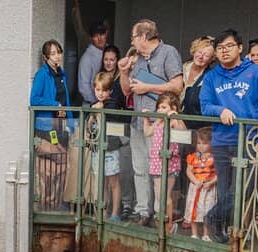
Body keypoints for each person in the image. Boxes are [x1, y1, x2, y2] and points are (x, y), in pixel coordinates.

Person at [200, 29, 258, 242]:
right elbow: (205, 106)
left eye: (229, 46)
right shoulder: (212, 76)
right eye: (220, 48)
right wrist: (220, 111)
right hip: (221, 139)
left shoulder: (257, 73)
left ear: (240, 48)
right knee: (224, 188)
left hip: (250, 141)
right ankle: (224, 230)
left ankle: (212, 217)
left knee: (244, 188)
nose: (224, 51)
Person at [117, 20, 184, 226]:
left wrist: (147, 87)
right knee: (140, 168)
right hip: (139, 120)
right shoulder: (136, 58)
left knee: (158, 171)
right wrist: (125, 72)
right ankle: (142, 211)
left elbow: (177, 85)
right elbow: (127, 90)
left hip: (159, 125)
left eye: (133, 37)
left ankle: (159, 214)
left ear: (144, 37)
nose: (132, 41)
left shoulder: (168, 52)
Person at [31, 39, 73, 210]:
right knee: (58, 165)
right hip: (44, 129)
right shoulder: (42, 74)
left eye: (59, 52)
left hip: (59, 129)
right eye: (53, 54)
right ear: (45, 57)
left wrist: (72, 124)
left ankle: (53, 203)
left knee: (60, 166)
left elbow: (67, 101)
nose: (57, 57)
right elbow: (34, 99)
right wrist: (54, 104)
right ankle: (48, 204)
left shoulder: (61, 75)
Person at [145, 94, 185, 230]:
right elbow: (147, 132)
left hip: (169, 162)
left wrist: (176, 116)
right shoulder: (158, 121)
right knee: (158, 195)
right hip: (157, 163)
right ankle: (162, 223)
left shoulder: (172, 120)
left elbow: (183, 132)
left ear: (172, 108)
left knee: (165, 195)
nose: (160, 110)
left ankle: (168, 226)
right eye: (158, 107)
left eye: (163, 107)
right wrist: (146, 118)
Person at [90, 71, 126, 221]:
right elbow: (89, 126)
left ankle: (115, 213)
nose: (101, 93)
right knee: (102, 182)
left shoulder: (112, 104)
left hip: (110, 148)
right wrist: (92, 112)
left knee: (114, 182)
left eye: (104, 90)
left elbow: (112, 117)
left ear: (110, 91)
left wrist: (99, 110)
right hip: (97, 148)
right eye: (98, 89)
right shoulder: (94, 105)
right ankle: (103, 212)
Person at [185, 127, 217, 240]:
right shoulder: (193, 157)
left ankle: (206, 234)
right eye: (199, 143)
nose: (201, 146)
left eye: (204, 143)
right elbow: (189, 171)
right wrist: (195, 181)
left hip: (208, 188)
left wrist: (211, 183)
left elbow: (218, 174)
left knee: (207, 210)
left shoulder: (214, 158)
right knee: (194, 210)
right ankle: (194, 233)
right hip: (196, 187)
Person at [181, 35, 215, 128]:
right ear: (194, 51)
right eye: (199, 52)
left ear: (212, 59)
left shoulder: (209, 78)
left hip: (194, 125)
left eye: (206, 55)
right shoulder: (181, 68)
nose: (201, 57)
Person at [78, 22, 108, 105]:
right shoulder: (87, 57)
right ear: (91, 38)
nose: (99, 38)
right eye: (95, 35)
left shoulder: (110, 51)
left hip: (110, 106)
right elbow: (83, 87)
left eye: (101, 34)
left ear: (106, 33)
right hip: (91, 106)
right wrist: (96, 103)